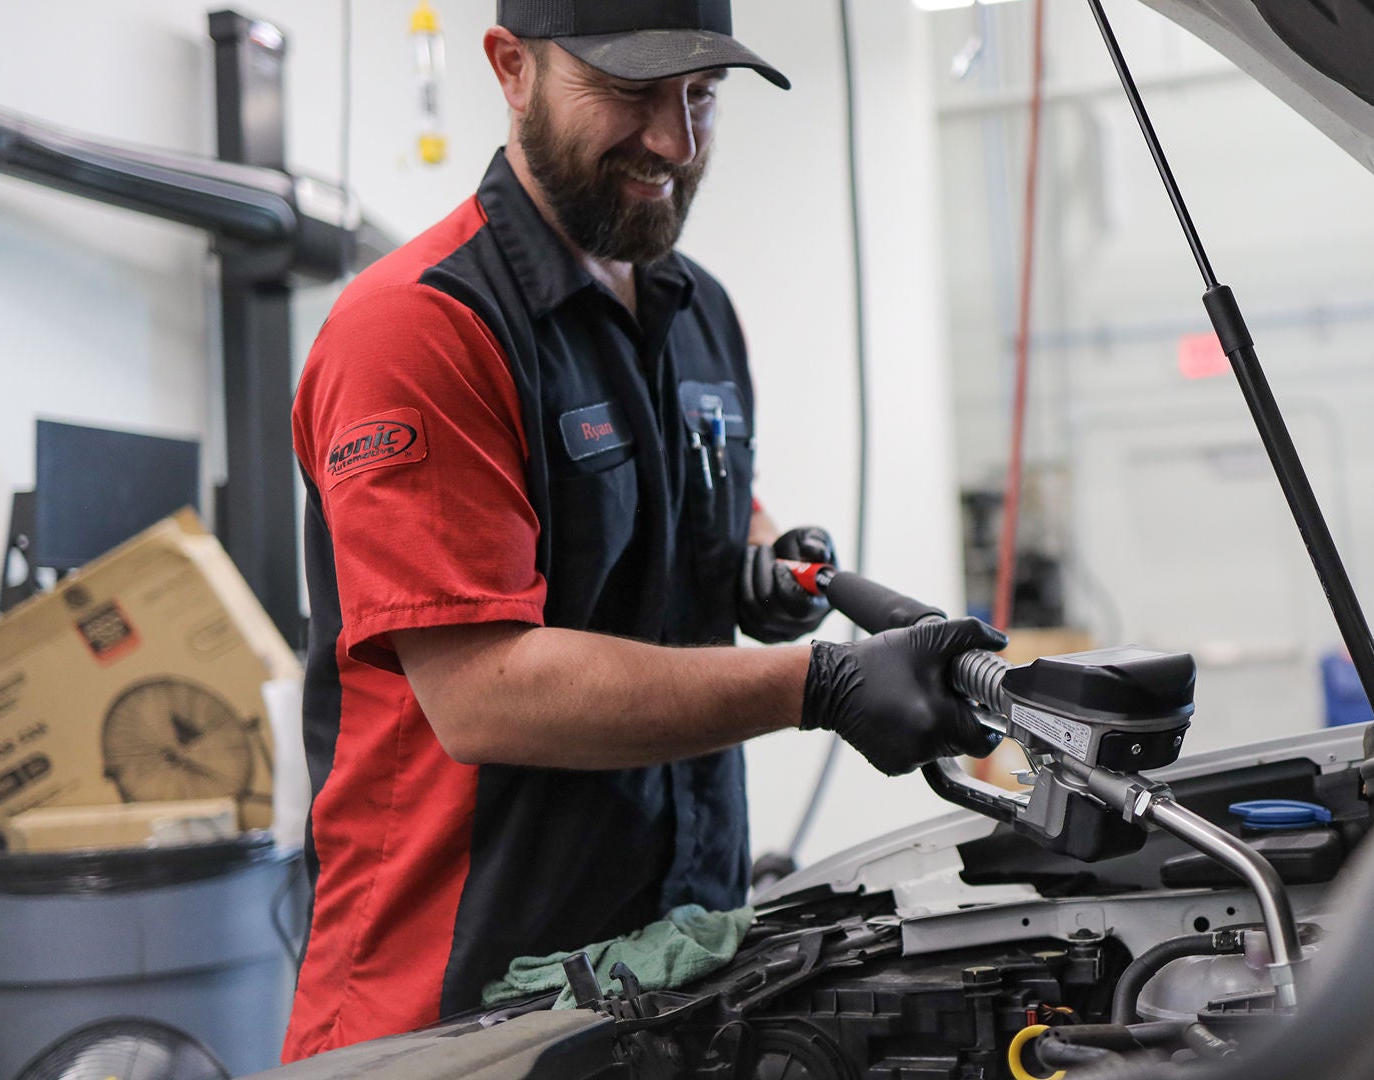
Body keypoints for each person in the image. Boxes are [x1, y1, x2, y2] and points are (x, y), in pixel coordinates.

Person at [280, 0, 1003, 1060]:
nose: (675, 141)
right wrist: (818, 684)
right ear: (511, 68)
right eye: (629, 94)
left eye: (700, 96)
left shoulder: (695, 308)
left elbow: (688, 512)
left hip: (676, 968)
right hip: (453, 1009)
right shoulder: (419, 327)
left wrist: (755, 560)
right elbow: (483, 692)